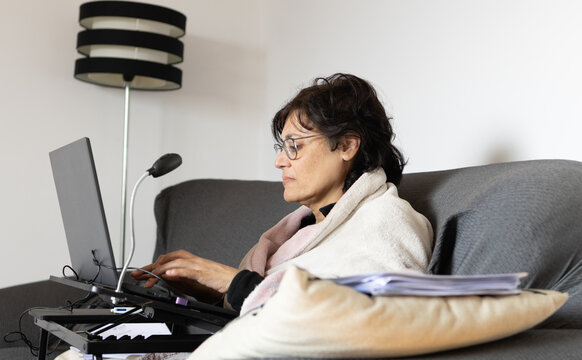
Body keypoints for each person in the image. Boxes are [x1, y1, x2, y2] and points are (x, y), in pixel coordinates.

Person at [131, 73, 433, 315]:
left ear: (346, 146)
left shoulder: (386, 221)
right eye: (282, 147)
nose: (279, 161)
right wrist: (208, 292)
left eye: (294, 146)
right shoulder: (296, 230)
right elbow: (260, 310)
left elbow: (366, 319)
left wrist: (234, 282)